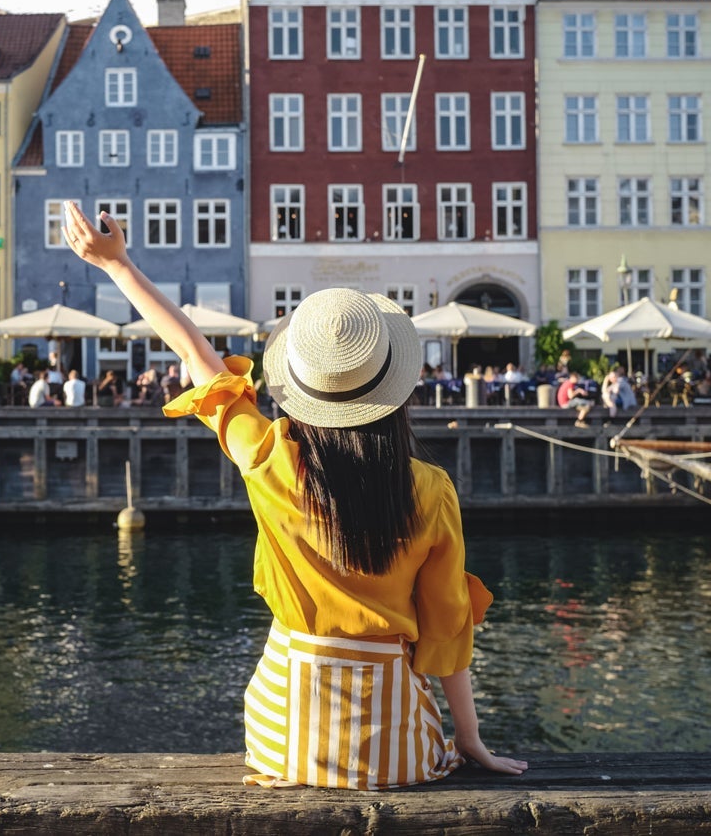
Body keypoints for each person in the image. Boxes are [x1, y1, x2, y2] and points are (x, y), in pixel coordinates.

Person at [59, 200, 523, 789]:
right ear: (394, 393)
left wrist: (118, 265)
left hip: (283, 734)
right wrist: (470, 738)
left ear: (302, 389)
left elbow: (197, 358)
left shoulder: (270, 459)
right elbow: (447, 626)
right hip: (392, 748)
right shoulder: (430, 490)